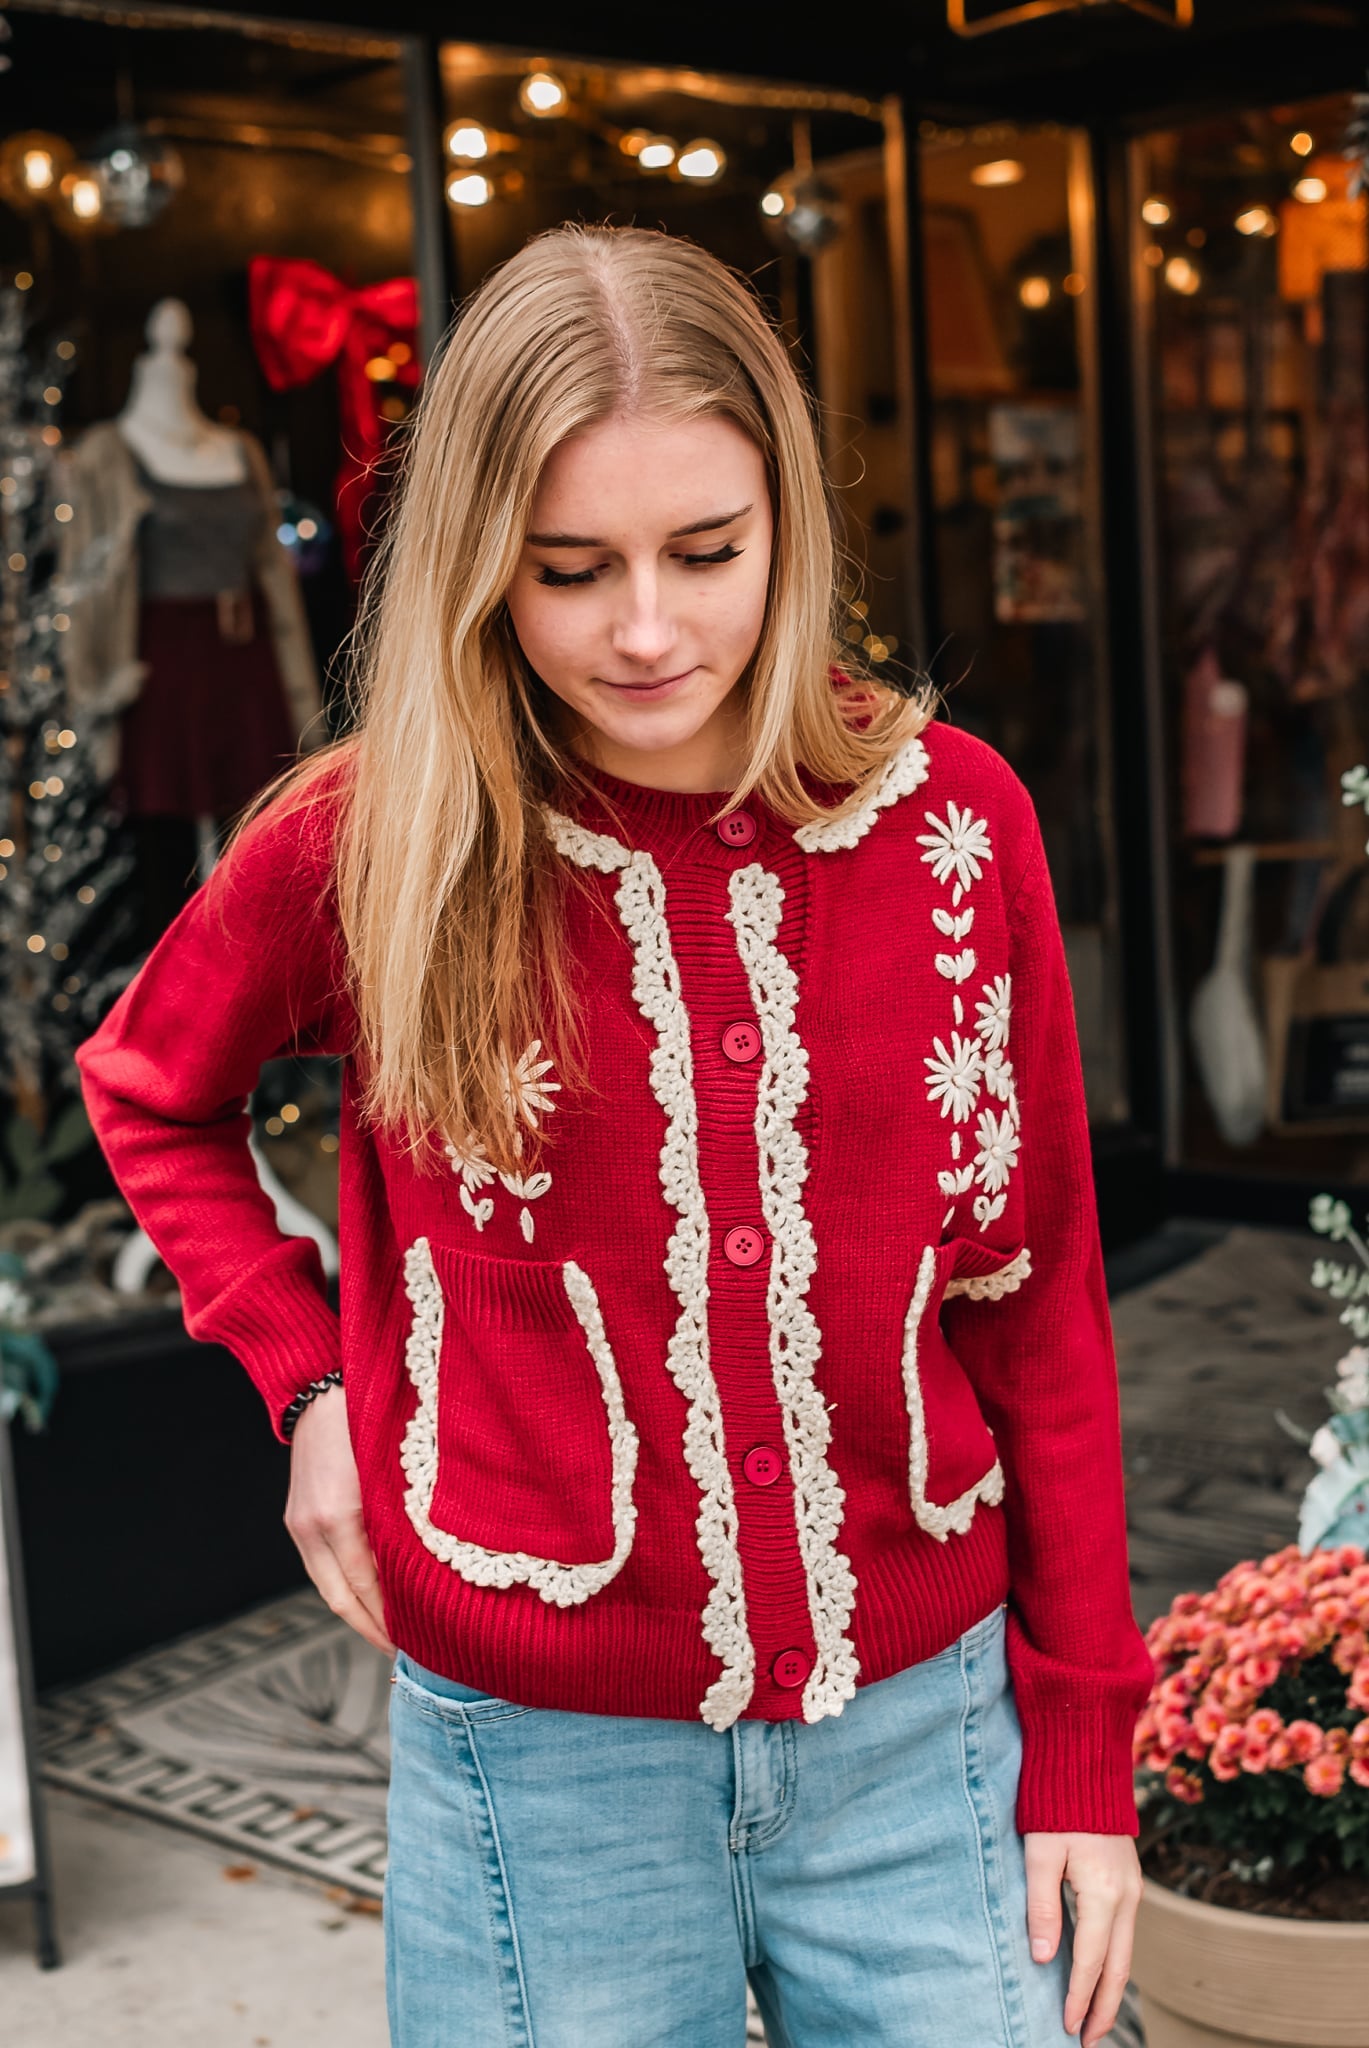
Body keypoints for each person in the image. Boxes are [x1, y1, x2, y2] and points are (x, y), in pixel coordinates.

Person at [76, 224, 1152, 2048]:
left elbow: (1032, 1303)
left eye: (706, 554)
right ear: (479, 564)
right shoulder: (372, 837)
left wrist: (1084, 1753)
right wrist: (309, 1380)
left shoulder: (952, 827)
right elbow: (150, 1091)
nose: (646, 629)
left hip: (925, 1740)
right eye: (568, 570)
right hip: (541, 1767)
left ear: (788, 523)